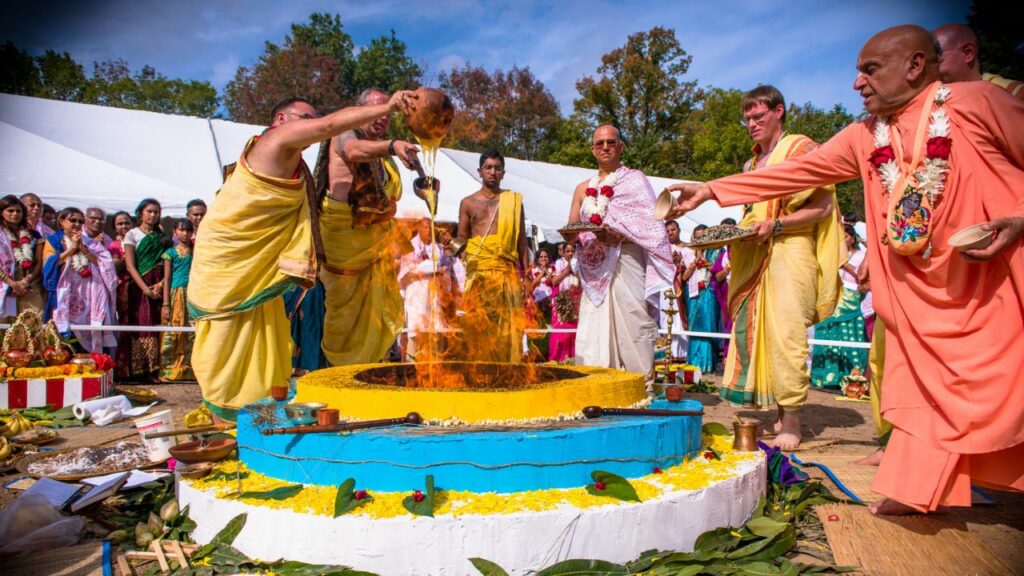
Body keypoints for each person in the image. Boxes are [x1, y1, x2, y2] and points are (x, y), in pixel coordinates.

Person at [665, 25, 1024, 514]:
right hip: (918, 291)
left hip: (991, 282)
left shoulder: (976, 103)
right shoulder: (864, 136)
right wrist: (711, 189)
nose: (857, 83)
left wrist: (1019, 218)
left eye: (870, 70)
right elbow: (795, 174)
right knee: (917, 380)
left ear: (916, 66)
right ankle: (916, 489)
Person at [189, 92, 415, 420]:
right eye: (304, 118)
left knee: (261, 336)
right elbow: (332, 128)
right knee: (226, 337)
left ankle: (252, 413)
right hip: (230, 264)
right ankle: (224, 415)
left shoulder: (294, 159)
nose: (312, 126)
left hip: (255, 264)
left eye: (313, 118)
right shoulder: (276, 140)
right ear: (281, 120)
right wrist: (392, 110)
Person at [699, 85, 843, 450]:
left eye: (758, 116)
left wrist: (777, 225)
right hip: (753, 253)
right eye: (746, 118)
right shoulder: (751, 165)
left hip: (791, 249)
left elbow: (823, 207)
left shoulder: (801, 149)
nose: (751, 124)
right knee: (757, 335)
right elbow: (751, 212)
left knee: (786, 335)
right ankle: (775, 414)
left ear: (779, 111)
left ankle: (792, 418)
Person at [315, 88, 421, 366]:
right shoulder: (345, 133)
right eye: (377, 109)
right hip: (344, 240)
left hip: (377, 244)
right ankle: (335, 367)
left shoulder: (385, 156)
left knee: (377, 310)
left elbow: (388, 199)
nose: (383, 117)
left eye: (388, 111)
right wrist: (392, 145)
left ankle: (368, 366)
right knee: (342, 312)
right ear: (360, 109)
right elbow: (352, 151)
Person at [563, 126, 674, 384]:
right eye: (599, 143)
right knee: (593, 321)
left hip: (627, 257)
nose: (605, 147)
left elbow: (651, 224)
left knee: (633, 315)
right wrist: (577, 234)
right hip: (593, 267)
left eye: (610, 142)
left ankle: (640, 383)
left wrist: (617, 235)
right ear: (592, 149)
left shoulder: (635, 180)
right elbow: (571, 228)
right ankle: (596, 381)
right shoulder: (582, 189)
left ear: (621, 147)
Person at [446, 149, 529, 362]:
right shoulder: (468, 203)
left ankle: (507, 375)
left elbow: (521, 242)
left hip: (506, 275)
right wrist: (452, 246)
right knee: (478, 327)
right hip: (479, 276)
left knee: (507, 330)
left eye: (497, 168)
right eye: (488, 167)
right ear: (479, 171)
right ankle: (479, 373)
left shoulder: (514, 201)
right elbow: (461, 239)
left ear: (503, 173)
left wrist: (526, 276)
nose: (493, 172)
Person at [42, 208, 117, 352]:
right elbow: (49, 265)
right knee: (64, 337)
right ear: (62, 221)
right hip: (65, 295)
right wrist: (72, 249)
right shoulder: (54, 241)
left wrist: (83, 249)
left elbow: (105, 266)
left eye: (80, 221)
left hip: (90, 295)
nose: (77, 224)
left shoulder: (91, 243)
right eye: (73, 220)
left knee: (88, 330)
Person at [810, 224, 869, 388]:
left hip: (851, 298)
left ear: (853, 238)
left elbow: (861, 276)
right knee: (828, 332)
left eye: (847, 237)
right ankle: (826, 377)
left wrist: (844, 264)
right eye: (840, 237)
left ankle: (850, 377)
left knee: (849, 334)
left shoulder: (862, 255)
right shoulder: (828, 253)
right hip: (831, 295)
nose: (844, 240)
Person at [118, 198, 166, 380]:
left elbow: (165, 262)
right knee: (140, 324)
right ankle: (137, 370)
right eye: (150, 211)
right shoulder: (132, 234)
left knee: (155, 324)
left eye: (156, 212)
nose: (153, 215)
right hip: (138, 286)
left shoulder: (161, 237)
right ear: (141, 214)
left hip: (158, 285)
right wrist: (145, 289)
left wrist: (160, 285)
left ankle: (154, 370)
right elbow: (130, 266)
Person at [398, 217, 456, 361]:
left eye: (431, 228)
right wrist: (424, 271)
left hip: (434, 298)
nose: (428, 231)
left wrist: (442, 273)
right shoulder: (410, 246)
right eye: (425, 227)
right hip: (416, 297)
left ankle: (435, 368)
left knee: (435, 334)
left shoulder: (438, 249)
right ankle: (413, 367)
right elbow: (405, 272)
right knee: (416, 334)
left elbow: (447, 269)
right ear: (418, 228)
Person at [933, 23, 1023, 99]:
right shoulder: (935, 98)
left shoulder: (1015, 95)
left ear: (968, 52)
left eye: (935, 60)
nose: (929, 72)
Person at [677, 225, 720, 373]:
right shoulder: (688, 253)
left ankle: (708, 364)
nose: (700, 238)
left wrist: (706, 263)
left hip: (709, 292)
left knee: (708, 326)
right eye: (697, 236)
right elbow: (684, 277)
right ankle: (694, 363)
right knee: (695, 327)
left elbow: (718, 273)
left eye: (703, 235)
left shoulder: (714, 251)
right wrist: (695, 262)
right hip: (693, 293)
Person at [159, 219, 195, 381]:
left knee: (192, 333)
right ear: (174, 231)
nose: (185, 234)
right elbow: (167, 278)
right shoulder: (170, 253)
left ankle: (189, 369)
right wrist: (166, 303)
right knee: (174, 330)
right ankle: (169, 369)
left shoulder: (196, 251)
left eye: (188, 231)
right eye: (181, 230)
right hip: (176, 295)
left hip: (193, 295)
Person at [0, 195, 45, 318]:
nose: (15, 214)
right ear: (1, 212)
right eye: (10, 211)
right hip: (4, 286)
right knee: (5, 328)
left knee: (33, 327)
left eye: (18, 211)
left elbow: (39, 262)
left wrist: (25, 282)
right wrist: (12, 284)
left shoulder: (34, 234)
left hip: (29, 286)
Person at [549, 242, 580, 362]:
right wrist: (567, 270)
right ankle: (557, 360)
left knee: (574, 333)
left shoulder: (579, 263)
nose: (570, 253)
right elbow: (555, 281)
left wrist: (576, 271)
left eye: (572, 251)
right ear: (563, 252)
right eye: (567, 251)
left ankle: (574, 359)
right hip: (562, 302)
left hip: (576, 302)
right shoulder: (558, 263)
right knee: (560, 334)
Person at [662, 220, 688, 359]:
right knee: (667, 317)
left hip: (684, 287)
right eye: (667, 231)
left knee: (681, 317)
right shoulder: (662, 249)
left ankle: (682, 354)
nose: (670, 233)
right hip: (667, 286)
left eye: (673, 230)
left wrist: (681, 263)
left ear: (679, 230)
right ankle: (669, 353)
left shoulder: (688, 247)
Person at [710, 217, 736, 358]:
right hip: (728, 293)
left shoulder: (745, 248)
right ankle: (728, 357)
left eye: (729, 230)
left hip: (744, 291)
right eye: (723, 230)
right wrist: (729, 266)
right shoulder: (722, 253)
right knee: (729, 325)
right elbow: (717, 277)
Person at [107, 211, 134, 323]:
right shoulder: (113, 245)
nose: (124, 226)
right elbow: (115, 267)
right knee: (125, 317)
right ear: (115, 227)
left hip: (142, 284)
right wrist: (127, 255)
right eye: (120, 223)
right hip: (123, 287)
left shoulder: (140, 241)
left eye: (127, 223)